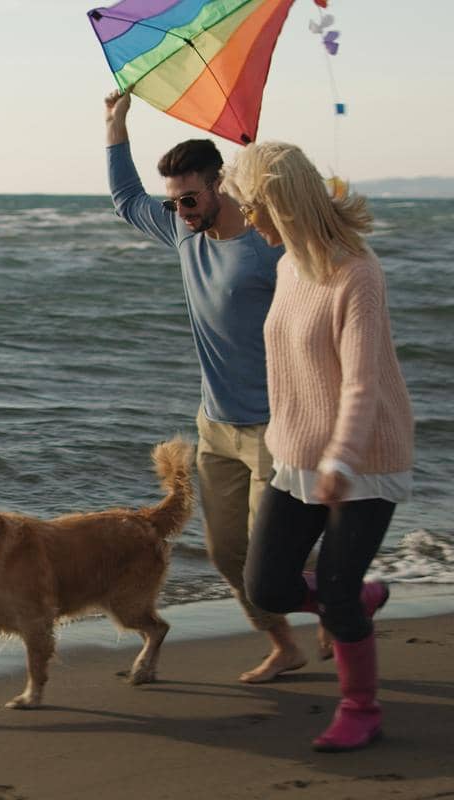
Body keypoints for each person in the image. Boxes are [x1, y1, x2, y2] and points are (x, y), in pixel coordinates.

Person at [103, 90, 307, 683]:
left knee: (276, 555)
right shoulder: (183, 232)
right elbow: (124, 200)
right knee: (226, 553)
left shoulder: (270, 244)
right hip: (215, 426)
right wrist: (116, 125)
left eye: (190, 198)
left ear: (221, 185)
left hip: (277, 424)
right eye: (175, 202)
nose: (182, 210)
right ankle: (286, 643)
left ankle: (343, 601)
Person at [227, 141, 412, 753]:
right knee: (267, 587)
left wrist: (340, 458)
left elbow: (362, 382)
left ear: (278, 204)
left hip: (364, 459)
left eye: (251, 207)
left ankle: (362, 707)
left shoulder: (357, 271)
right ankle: (356, 597)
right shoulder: (286, 266)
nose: (247, 219)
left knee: (332, 593)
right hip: (298, 457)